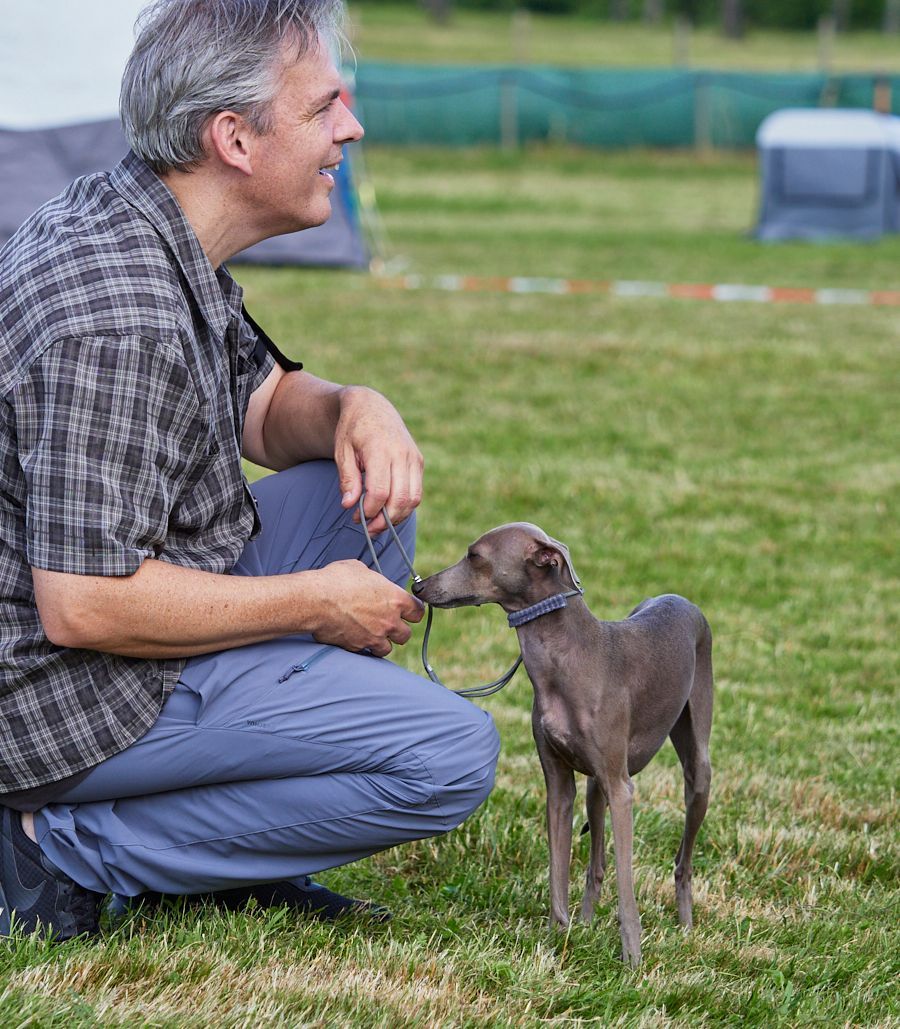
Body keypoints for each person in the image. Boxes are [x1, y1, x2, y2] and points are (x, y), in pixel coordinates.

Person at [0, 0, 499, 941]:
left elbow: (263, 407)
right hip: (51, 695)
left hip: (98, 625)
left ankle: (223, 838)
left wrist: (354, 406)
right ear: (233, 138)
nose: (351, 127)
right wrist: (313, 601)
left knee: (366, 501)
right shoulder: (116, 317)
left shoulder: (148, 221)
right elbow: (83, 605)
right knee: (448, 754)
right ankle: (54, 844)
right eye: (322, 108)